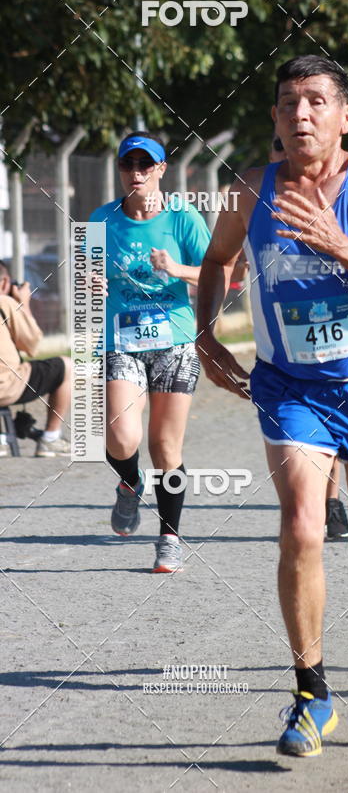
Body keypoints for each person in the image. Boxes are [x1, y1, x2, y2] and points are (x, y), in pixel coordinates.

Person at [196, 55, 348, 756]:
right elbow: (215, 263)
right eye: (289, 103)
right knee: (301, 527)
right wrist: (206, 336)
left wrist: (336, 242)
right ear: (273, 117)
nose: (301, 114)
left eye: (317, 102)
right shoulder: (250, 190)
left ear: (345, 116)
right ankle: (309, 694)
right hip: (291, 387)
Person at [89, 132, 211, 571]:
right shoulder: (100, 219)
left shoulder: (182, 217)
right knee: (121, 438)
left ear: (161, 169)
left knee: (165, 445)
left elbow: (220, 272)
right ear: (120, 169)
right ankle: (130, 482)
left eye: (146, 165)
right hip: (122, 340)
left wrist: (176, 269)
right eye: (128, 165)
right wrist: (93, 284)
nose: (136, 173)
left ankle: (169, 537)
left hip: (175, 342)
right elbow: (88, 278)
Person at [272, 133, 348, 541]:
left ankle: (334, 499)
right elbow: (226, 265)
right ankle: (326, 503)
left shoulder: (344, 199)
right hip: (292, 360)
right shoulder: (258, 204)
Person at [0, 261, 71, 456]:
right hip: (6, 388)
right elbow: (33, 345)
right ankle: (50, 438)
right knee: (67, 365)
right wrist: (23, 305)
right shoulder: (4, 302)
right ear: (5, 282)